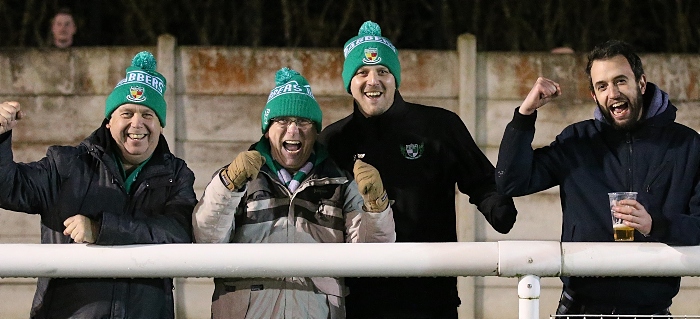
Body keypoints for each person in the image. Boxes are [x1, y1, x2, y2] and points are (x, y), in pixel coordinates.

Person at [319, 21, 519, 319]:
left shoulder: (439, 126)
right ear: (349, 82)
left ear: (395, 79)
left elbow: (480, 180)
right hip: (359, 298)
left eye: (383, 72)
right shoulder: (333, 141)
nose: (373, 81)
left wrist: (497, 206)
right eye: (362, 72)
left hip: (430, 295)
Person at [495, 39, 700, 315]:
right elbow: (512, 182)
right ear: (594, 95)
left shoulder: (687, 145)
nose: (613, 93)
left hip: (651, 309)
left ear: (641, 83)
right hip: (580, 307)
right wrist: (525, 114)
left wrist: (656, 224)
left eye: (621, 81)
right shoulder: (577, 140)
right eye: (602, 86)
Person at [0, 51, 197, 318]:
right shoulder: (65, 165)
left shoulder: (178, 176)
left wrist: (100, 229)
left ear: (160, 124)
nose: (136, 123)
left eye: (148, 115)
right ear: (109, 121)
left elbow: (180, 233)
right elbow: (8, 188)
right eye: (126, 112)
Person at [193, 67, 396, 319]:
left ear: (316, 131)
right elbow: (207, 240)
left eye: (303, 121)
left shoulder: (340, 182)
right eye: (282, 121)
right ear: (267, 129)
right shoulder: (237, 178)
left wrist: (377, 205)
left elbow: (372, 256)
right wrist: (228, 185)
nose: (293, 130)